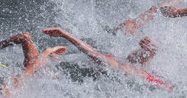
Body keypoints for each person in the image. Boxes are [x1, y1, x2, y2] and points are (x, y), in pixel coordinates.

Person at [41, 27, 177, 91]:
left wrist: (65, 34)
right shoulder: (135, 67)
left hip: (164, 91)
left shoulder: (124, 69)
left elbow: (94, 54)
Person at [0, 32, 67, 96]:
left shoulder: (10, 89)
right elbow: (36, 65)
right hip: (41, 78)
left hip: (38, 77)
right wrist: (50, 50)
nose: (5, 83)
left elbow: (35, 65)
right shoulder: (16, 84)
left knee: (25, 36)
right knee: (26, 37)